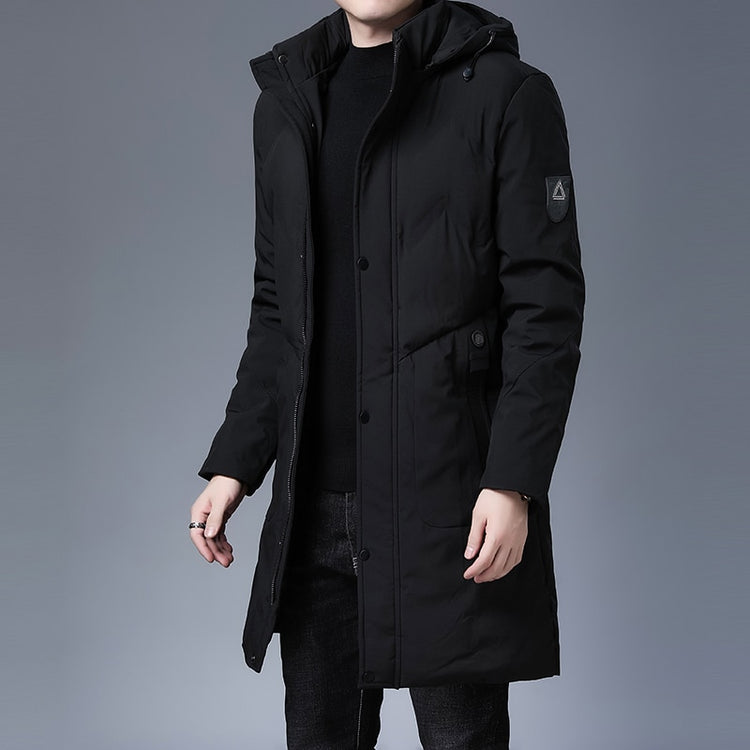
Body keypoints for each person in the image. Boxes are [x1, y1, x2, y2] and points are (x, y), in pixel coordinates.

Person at [189, 1, 585, 747]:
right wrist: (236, 463)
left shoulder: (507, 95)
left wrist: (513, 481)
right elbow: (278, 311)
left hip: (449, 508)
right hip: (313, 513)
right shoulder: (287, 103)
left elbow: (546, 313)